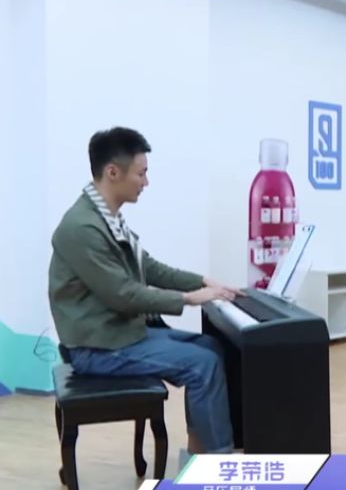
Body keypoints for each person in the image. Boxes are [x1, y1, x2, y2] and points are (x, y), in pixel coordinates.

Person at [48, 127, 238, 460]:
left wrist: (204, 281)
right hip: (98, 347)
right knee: (203, 364)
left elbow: (148, 267)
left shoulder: (106, 218)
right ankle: (219, 462)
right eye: (141, 173)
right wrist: (188, 299)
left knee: (211, 347)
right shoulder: (81, 228)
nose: (146, 182)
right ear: (113, 172)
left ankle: (199, 450)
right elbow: (123, 295)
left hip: (120, 333)